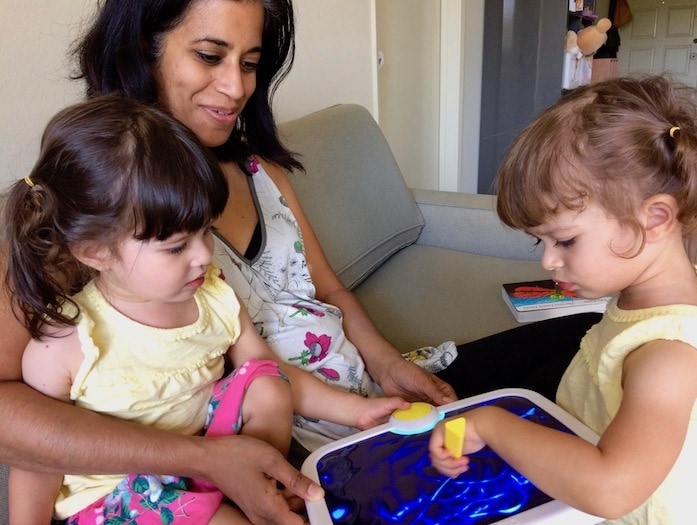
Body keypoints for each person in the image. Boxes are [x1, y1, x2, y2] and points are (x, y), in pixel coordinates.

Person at [0, 0, 597, 521]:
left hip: (360, 396)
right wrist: (201, 457)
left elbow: (332, 291)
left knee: (591, 344)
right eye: (210, 56)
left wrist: (388, 367)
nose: (236, 87)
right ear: (142, 52)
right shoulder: (94, 217)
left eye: (251, 62)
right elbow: (17, 416)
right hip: (285, 444)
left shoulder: (263, 173)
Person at [5, 95, 409, 524]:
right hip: (120, 496)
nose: (203, 255)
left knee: (266, 384)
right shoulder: (69, 341)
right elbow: (34, 461)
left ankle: (258, 488)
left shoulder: (213, 296)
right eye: (176, 246)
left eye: (205, 232)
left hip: (205, 455)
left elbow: (276, 372)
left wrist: (358, 411)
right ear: (94, 252)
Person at [430, 76, 697, 523]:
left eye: (566, 241)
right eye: (541, 243)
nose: (549, 262)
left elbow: (612, 491)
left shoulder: (667, 356)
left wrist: (490, 422)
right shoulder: (658, 291)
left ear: (653, 219)